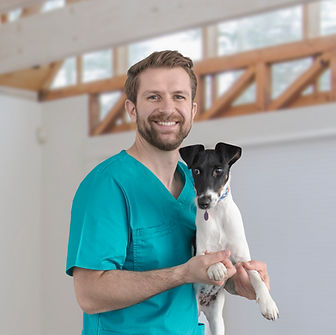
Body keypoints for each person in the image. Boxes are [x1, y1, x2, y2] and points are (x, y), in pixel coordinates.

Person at [66, 50, 271, 335]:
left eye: (178, 96)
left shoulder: (197, 185)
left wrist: (238, 283)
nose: (167, 108)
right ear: (132, 108)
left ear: (192, 110)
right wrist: (183, 273)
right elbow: (89, 294)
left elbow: (203, 272)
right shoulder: (106, 186)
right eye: (153, 97)